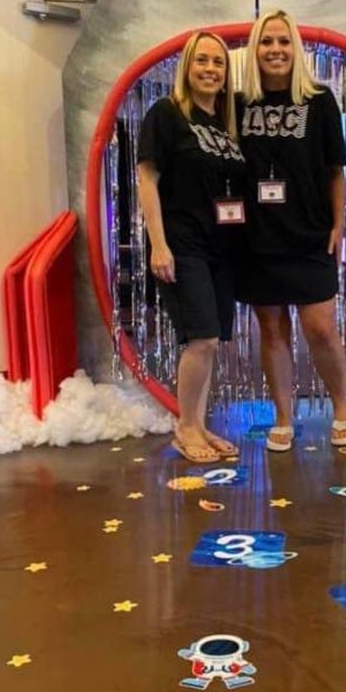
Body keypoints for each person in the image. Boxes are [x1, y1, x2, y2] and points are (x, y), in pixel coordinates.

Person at [236, 9, 346, 451]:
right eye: (266, 42)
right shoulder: (239, 103)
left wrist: (339, 224)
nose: (275, 50)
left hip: (309, 233)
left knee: (320, 328)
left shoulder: (319, 100)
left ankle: (341, 408)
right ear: (255, 49)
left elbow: (335, 172)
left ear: (296, 49)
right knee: (272, 330)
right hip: (257, 238)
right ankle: (283, 417)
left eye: (284, 42)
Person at [137, 30, 245, 462]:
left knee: (210, 340)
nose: (210, 69)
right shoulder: (166, 114)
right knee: (200, 337)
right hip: (183, 244)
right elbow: (147, 178)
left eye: (217, 63)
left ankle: (198, 426)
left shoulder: (224, 124)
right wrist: (159, 244)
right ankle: (186, 428)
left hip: (221, 249)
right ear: (187, 67)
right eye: (202, 61)